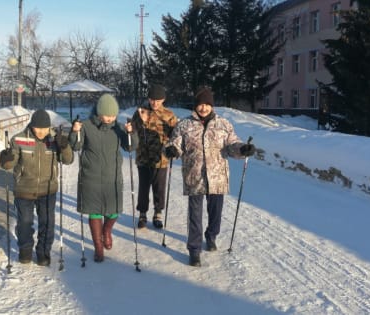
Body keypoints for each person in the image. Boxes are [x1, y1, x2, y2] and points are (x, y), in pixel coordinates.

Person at [165, 87, 256, 267]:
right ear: (196, 106)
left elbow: (232, 144)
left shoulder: (224, 124)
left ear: (211, 106)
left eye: (207, 105)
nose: (203, 108)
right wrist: (172, 150)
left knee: (215, 213)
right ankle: (194, 250)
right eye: (200, 105)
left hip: (217, 176)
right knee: (195, 215)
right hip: (194, 175)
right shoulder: (184, 125)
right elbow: (175, 144)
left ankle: (211, 235)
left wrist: (242, 149)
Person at [0, 109, 74, 266]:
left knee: (47, 223)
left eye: (44, 129)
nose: (41, 132)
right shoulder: (19, 139)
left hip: (48, 189)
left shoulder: (55, 139)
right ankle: (25, 250)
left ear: (49, 127)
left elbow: (68, 160)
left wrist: (65, 146)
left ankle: (43, 253)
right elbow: (8, 164)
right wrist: (5, 159)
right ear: (31, 126)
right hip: (24, 189)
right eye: (37, 128)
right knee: (24, 222)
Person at [69, 93, 137, 262]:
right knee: (94, 213)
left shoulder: (118, 127)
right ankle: (98, 247)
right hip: (90, 176)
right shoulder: (86, 126)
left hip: (112, 176)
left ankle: (107, 231)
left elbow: (130, 147)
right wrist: (75, 131)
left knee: (114, 211)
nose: (110, 118)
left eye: (113, 115)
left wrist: (131, 132)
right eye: (107, 115)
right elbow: (76, 145)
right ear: (99, 113)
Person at [131, 83, 178, 229]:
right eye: (152, 100)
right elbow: (133, 130)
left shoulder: (169, 115)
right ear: (148, 99)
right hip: (143, 157)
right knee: (143, 188)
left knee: (159, 188)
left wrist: (173, 149)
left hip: (161, 158)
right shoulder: (140, 112)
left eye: (158, 100)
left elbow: (175, 135)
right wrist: (140, 121)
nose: (154, 103)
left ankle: (158, 213)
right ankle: (142, 213)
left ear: (163, 100)